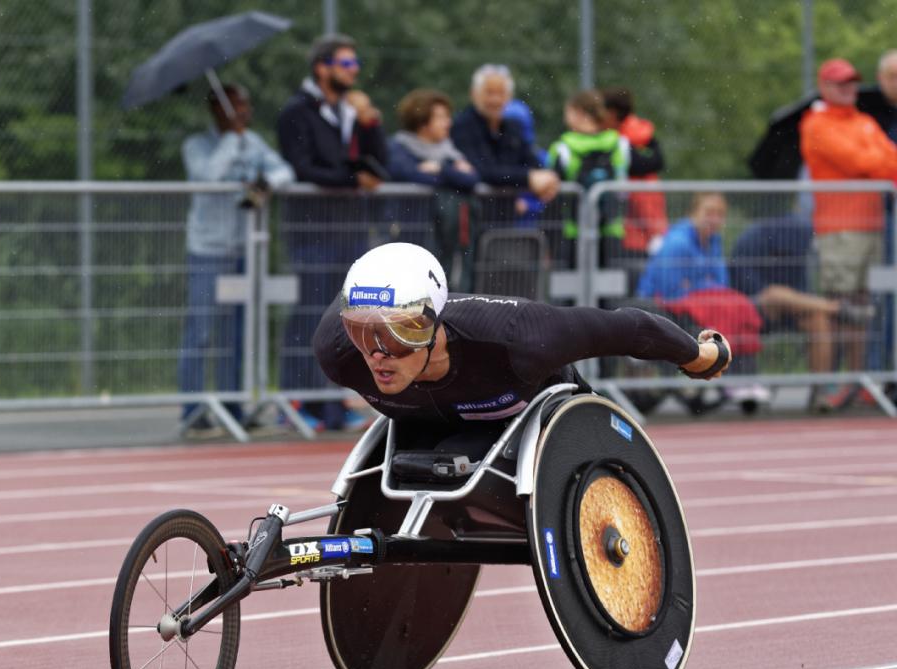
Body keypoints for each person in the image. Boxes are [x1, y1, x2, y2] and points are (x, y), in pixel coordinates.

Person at [312, 242, 729, 451]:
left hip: (530, 419)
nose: (378, 354)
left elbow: (629, 328)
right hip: (428, 432)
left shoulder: (519, 338)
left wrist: (699, 357)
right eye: (363, 333)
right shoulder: (338, 352)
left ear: (433, 324)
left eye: (400, 333)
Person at [640, 194, 873, 410]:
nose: (715, 219)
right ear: (694, 212)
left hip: (720, 303)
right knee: (749, 302)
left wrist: (705, 288)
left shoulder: (714, 241)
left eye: (720, 214)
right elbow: (672, 290)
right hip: (670, 308)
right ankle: (837, 309)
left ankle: (819, 393)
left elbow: (719, 282)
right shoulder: (678, 242)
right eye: (709, 212)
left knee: (813, 317)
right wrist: (706, 289)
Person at [276, 33, 387, 431]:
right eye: (346, 64)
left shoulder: (349, 111)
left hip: (349, 229)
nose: (354, 71)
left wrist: (370, 122)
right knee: (309, 316)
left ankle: (333, 404)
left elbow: (380, 163)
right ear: (322, 68)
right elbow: (304, 167)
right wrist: (353, 177)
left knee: (346, 318)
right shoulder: (296, 111)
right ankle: (294, 402)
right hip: (313, 230)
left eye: (355, 64)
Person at [178, 84, 294, 431]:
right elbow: (208, 176)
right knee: (201, 331)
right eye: (235, 106)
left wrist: (265, 182)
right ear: (217, 109)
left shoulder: (253, 142)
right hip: (208, 250)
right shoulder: (197, 145)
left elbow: (286, 171)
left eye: (246, 105)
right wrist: (230, 140)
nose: (243, 112)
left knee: (236, 333)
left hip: (245, 249)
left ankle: (233, 406)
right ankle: (194, 410)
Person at [799, 57, 897, 385]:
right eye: (840, 82)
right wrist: (878, 163)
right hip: (839, 229)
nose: (849, 88)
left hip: (871, 227)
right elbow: (859, 161)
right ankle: (826, 386)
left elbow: (887, 159)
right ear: (824, 86)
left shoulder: (864, 121)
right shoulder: (816, 123)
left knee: (862, 309)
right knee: (836, 308)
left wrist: (878, 163)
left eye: (852, 81)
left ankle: (855, 384)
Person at [387, 89, 480, 289]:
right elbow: (410, 174)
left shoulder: (449, 151)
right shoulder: (398, 148)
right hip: (410, 235)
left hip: (444, 239)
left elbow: (471, 179)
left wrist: (439, 169)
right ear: (421, 121)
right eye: (440, 117)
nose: (448, 122)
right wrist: (452, 175)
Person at [452, 64, 560, 225]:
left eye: (501, 93)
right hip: (472, 220)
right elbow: (482, 170)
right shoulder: (462, 126)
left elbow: (532, 162)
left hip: (506, 218)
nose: (495, 99)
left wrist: (546, 178)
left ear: (509, 97)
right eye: (489, 93)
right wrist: (528, 178)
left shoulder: (513, 127)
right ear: (474, 94)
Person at [546, 90, 630, 265]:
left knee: (570, 289)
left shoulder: (563, 148)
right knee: (610, 288)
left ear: (578, 112)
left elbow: (552, 196)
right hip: (612, 231)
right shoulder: (619, 144)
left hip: (573, 232)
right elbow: (623, 188)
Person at [602, 87, 668, 267]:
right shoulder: (642, 133)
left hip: (632, 232)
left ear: (612, 112)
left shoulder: (618, 143)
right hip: (652, 225)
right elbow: (658, 160)